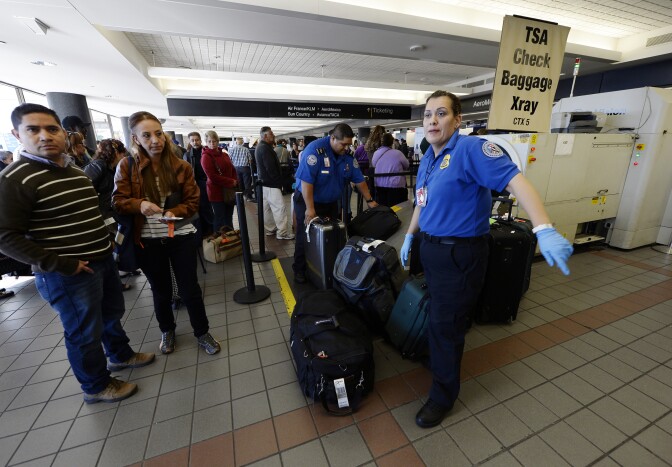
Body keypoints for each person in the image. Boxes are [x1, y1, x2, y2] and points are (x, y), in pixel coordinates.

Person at [399, 91, 573, 428]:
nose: (432, 120)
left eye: (442, 113)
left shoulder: (471, 150)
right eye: (427, 115)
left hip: (460, 252)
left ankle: (442, 395)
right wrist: (410, 234)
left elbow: (516, 181)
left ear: (458, 120)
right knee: (439, 314)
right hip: (432, 249)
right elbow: (422, 200)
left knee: (446, 324)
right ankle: (439, 356)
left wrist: (543, 228)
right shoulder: (431, 156)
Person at [0, 103, 155, 404]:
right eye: (34, 129)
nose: (45, 136)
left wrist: (108, 245)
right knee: (83, 332)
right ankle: (96, 386)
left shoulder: (72, 170)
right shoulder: (15, 179)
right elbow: (5, 236)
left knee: (110, 314)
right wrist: (60, 264)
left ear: (63, 132)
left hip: (101, 260)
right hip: (68, 273)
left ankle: (120, 355)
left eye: (52, 128)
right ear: (17, 134)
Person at [112, 111, 221, 356]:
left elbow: (193, 202)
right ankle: (167, 330)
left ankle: (202, 332)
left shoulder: (180, 166)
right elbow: (118, 201)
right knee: (160, 290)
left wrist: (174, 211)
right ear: (136, 139)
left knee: (190, 289)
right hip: (148, 240)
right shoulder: (127, 166)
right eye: (147, 135)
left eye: (158, 133)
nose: (155, 140)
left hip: (180, 235)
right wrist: (139, 204)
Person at [292, 123, 377, 283]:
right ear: (332, 138)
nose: (346, 148)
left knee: (332, 234)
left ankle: (329, 267)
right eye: (343, 144)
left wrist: (370, 200)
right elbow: (306, 182)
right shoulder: (315, 151)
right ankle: (300, 269)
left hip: (330, 201)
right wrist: (310, 209)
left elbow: (358, 179)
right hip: (307, 200)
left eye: (348, 144)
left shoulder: (346, 155)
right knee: (305, 235)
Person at [83, 138, 135, 291]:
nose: (124, 155)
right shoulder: (98, 166)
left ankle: (119, 273)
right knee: (112, 243)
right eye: (121, 152)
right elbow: (85, 191)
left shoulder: (112, 168)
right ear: (115, 152)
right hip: (101, 216)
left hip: (109, 213)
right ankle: (114, 281)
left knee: (118, 241)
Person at [255, 126, 294, 240]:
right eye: (271, 134)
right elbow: (271, 168)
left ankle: (270, 228)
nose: (274, 135)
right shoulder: (265, 148)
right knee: (279, 208)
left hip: (263, 183)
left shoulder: (260, 147)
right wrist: (279, 182)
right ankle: (282, 232)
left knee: (266, 208)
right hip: (271, 184)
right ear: (265, 136)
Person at [200, 130, 238, 232]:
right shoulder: (206, 157)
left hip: (228, 191)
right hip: (216, 192)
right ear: (206, 142)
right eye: (209, 141)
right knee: (219, 218)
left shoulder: (224, 154)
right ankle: (219, 242)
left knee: (228, 217)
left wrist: (234, 180)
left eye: (214, 141)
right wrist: (231, 182)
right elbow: (212, 177)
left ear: (218, 141)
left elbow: (232, 169)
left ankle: (231, 240)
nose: (212, 144)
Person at [184, 132, 214, 239]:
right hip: (196, 184)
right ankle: (203, 231)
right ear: (189, 141)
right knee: (200, 207)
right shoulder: (187, 155)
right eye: (192, 140)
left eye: (197, 140)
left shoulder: (207, 152)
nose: (195, 142)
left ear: (201, 140)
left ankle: (210, 229)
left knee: (207, 207)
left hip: (208, 182)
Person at [371, 132, 409, 207]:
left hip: (380, 185)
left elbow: (373, 165)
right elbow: (406, 165)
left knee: (383, 207)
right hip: (396, 186)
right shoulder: (398, 153)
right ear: (392, 142)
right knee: (397, 208)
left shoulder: (376, 153)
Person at [229, 136, 254, 201]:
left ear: (236, 142)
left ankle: (240, 197)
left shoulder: (232, 149)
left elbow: (230, 159)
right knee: (247, 183)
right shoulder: (246, 149)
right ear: (242, 142)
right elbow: (250, 160)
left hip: (236, 168)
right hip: (245, 168)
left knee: (239, 183)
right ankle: (248, 197)